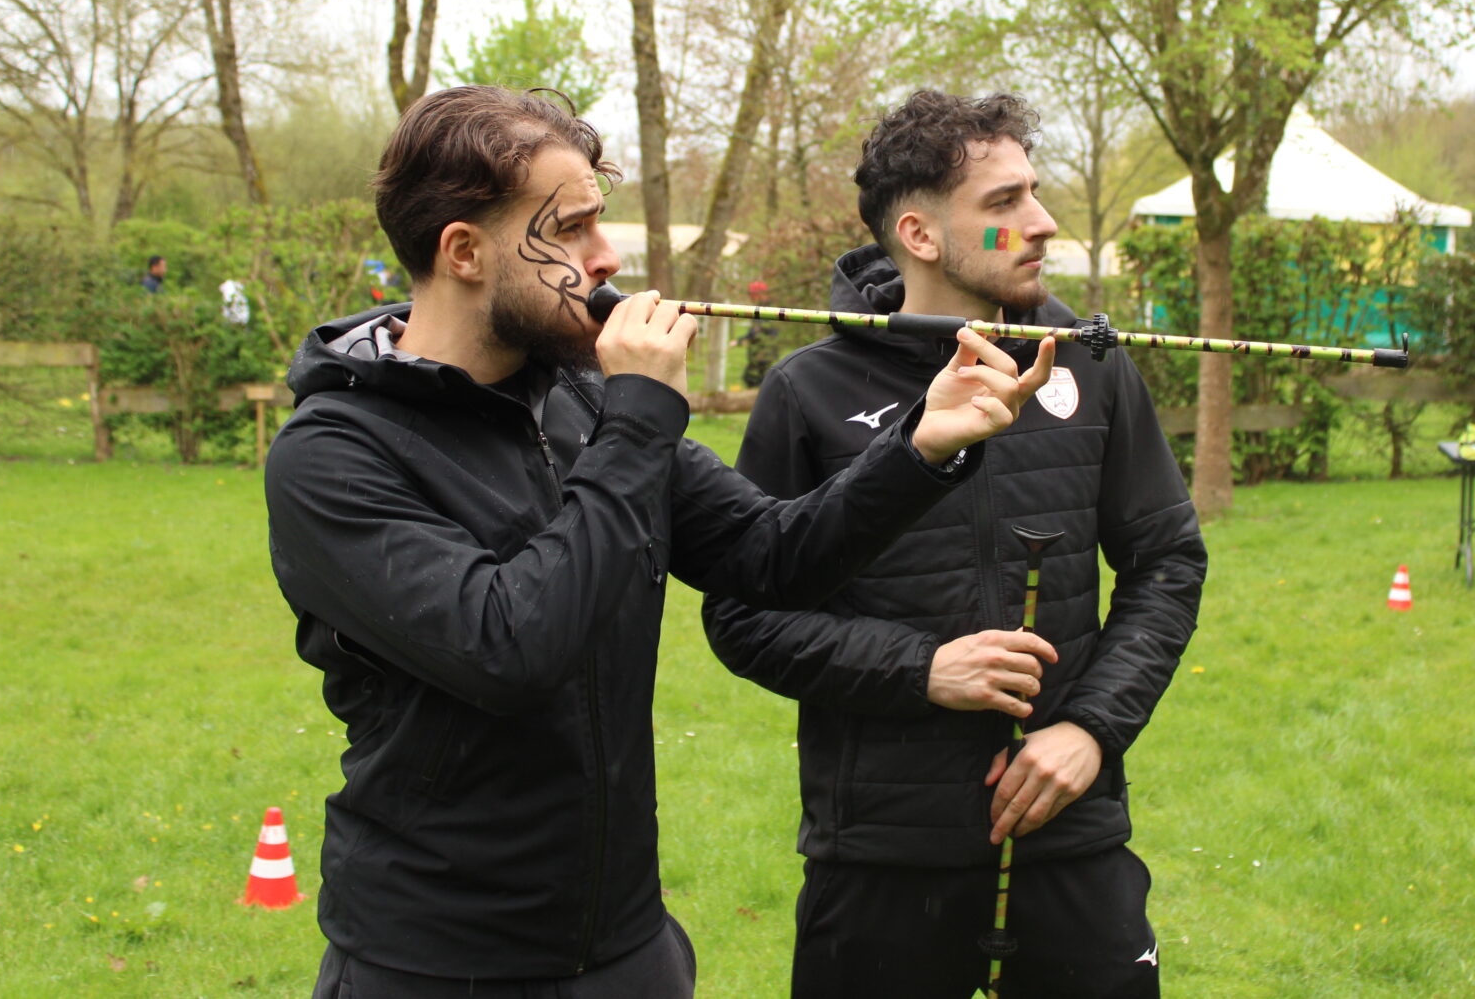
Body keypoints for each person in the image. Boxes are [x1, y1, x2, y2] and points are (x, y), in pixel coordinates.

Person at [263, 86, 1054, 998]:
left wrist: (918, 445)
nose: (607, 260)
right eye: (570, 230)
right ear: (464, 251)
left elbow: (769, 555)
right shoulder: (332, 454)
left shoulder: (580, 399)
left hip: (627, 949)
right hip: (436, 960)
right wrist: (638, 416)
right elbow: (511, 646)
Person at [703, 90, 1206, 999]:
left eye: (1035, 193)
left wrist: (1091, 728)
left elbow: (1167, 561)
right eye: (1005, 205)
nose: (1042, 224)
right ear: (921, 235)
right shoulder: (808, 390)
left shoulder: (1090, 362)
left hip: (1070, 834)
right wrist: (921, 666)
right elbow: (744, 615)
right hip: (881, 856)